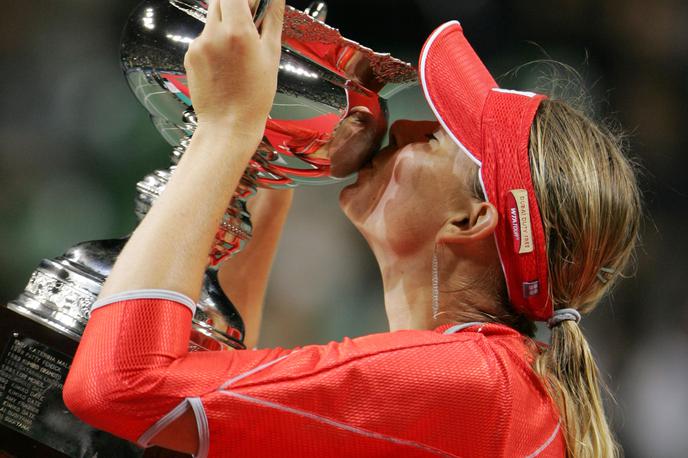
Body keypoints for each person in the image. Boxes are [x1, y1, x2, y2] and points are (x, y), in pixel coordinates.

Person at [62, 0, 641, 457]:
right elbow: (217, 383)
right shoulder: (498, 386)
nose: (408, 124)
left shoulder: (475, 387)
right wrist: (267, 146)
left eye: (434, 138)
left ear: (471, 219)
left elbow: (121, 385)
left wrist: (226, 127)